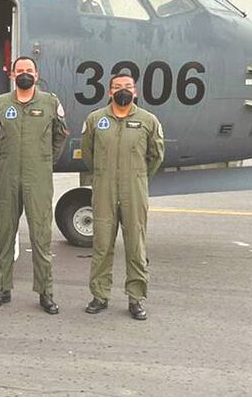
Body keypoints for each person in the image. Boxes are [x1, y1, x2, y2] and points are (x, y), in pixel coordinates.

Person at [0, 57, 68, 313]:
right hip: (8, 177)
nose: (24, 74)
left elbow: (59, 136)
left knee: (41, 236)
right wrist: (10, 158)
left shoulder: (50, 102)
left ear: (37, 74)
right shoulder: (1, 103)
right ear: (12, 74)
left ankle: (45, 292)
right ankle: (2, 289)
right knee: (5, 235)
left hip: (38, 178)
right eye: (19, 70)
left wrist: (43, 162)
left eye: (28, 70)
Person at [81, 73, 165, 321]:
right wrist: (102, 174)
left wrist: (137, 176)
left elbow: (156, 156)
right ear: (109, 92)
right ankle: (99, 295)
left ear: (136, 92)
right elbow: (88, 154)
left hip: (134, 190)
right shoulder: (96, 119)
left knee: (135, 245)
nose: (123, 91)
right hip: (104, 189)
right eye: (117, 87)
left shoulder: (148, 121)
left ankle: (136, 298)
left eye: (127, 87)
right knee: (102, 244)